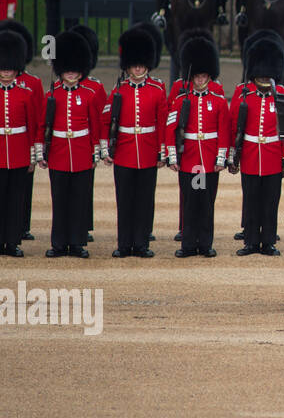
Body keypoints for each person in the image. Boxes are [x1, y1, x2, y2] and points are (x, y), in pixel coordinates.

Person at [102, 26, 168, 258]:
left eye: (141, 64)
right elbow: (107, 120)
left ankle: (141, 243)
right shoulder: (119, 90)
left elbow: (162, 123)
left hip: (148, 151)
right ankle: (124, 243)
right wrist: (107, 148)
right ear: (128, 66)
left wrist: (162, 152)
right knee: (125, 199)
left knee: (144, 200)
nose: (138, 68)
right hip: (124, 152)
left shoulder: (157, 89)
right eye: (134, 64)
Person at [36, 30, 99, 258]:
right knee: (59, 199)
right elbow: (43, 125)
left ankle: (77, 242)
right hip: (59, 153)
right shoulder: (52, 95)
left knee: (79, 200)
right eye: (67, 69)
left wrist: (96, 152)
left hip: (81, 152)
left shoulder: (89, 94)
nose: (71, 73)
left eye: (74, 69)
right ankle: (59, 243)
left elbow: (95, 126)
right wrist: (41, 152)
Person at [166, 33, 228, 258]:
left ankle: (205, 243)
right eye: (198, 77)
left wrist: (221, 158)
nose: (201, 80)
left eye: (204, 76)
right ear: (191, 77)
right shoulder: (182, 101)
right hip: (190, 158)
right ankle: (188, 244)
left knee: (206, 203)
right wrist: (172, 156)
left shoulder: (218, 101)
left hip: (209, 160)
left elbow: (223, 131)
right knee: (190, 202)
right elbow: (170, 129)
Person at [228, 35, 284, 256]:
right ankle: (251, 241)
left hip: (273, 155)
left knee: (271, 201)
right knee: (251, 199)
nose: (263, 77)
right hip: (251, 154)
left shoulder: (280, 93)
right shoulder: (242, 92)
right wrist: (232, 155)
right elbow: (234, 124)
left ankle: (268, 242)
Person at [0, 30, 38, 257]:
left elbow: (33, 126)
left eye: (9, 67)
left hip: (19, 152)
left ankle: (12, 241)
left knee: (15, 199)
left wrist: (33, 156)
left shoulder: (25, 93)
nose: (6, 71)